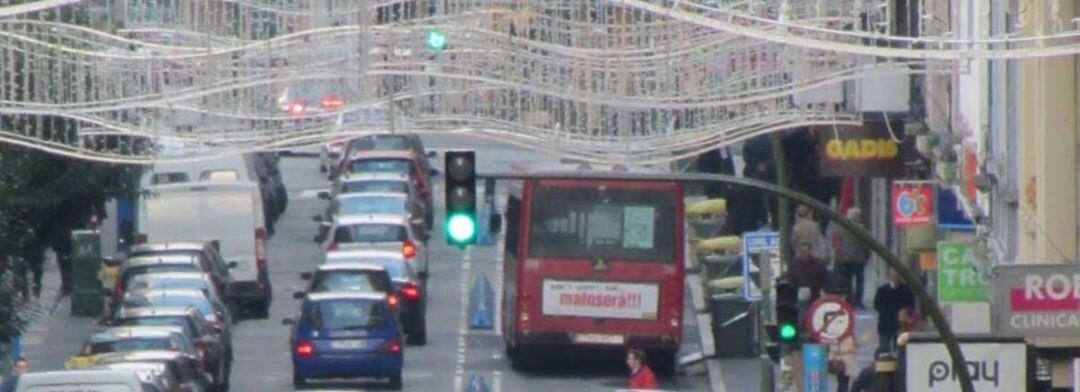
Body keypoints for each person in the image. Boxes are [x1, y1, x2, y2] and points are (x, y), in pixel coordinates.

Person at [833, 208, 871, 307]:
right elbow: (866, 244)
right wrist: (867, 255)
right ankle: (858, 301)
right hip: (859, 259)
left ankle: (848, 299)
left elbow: (836, 243)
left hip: (844, 258)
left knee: (847, 280)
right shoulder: (861, 229)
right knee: (860, 280)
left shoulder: (841, 228)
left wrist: (837, 256)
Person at [873, 271, 916, 353]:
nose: (895, 278)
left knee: (900, 347)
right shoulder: (882, 290)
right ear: (890, 277)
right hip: (885, 321)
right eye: (893, 276)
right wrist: (886, 312)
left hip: (901, 323)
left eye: (897, 276)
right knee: (884, 347)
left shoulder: (906, 290)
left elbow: (911, 305)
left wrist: (905, 312)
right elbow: (877, 305)